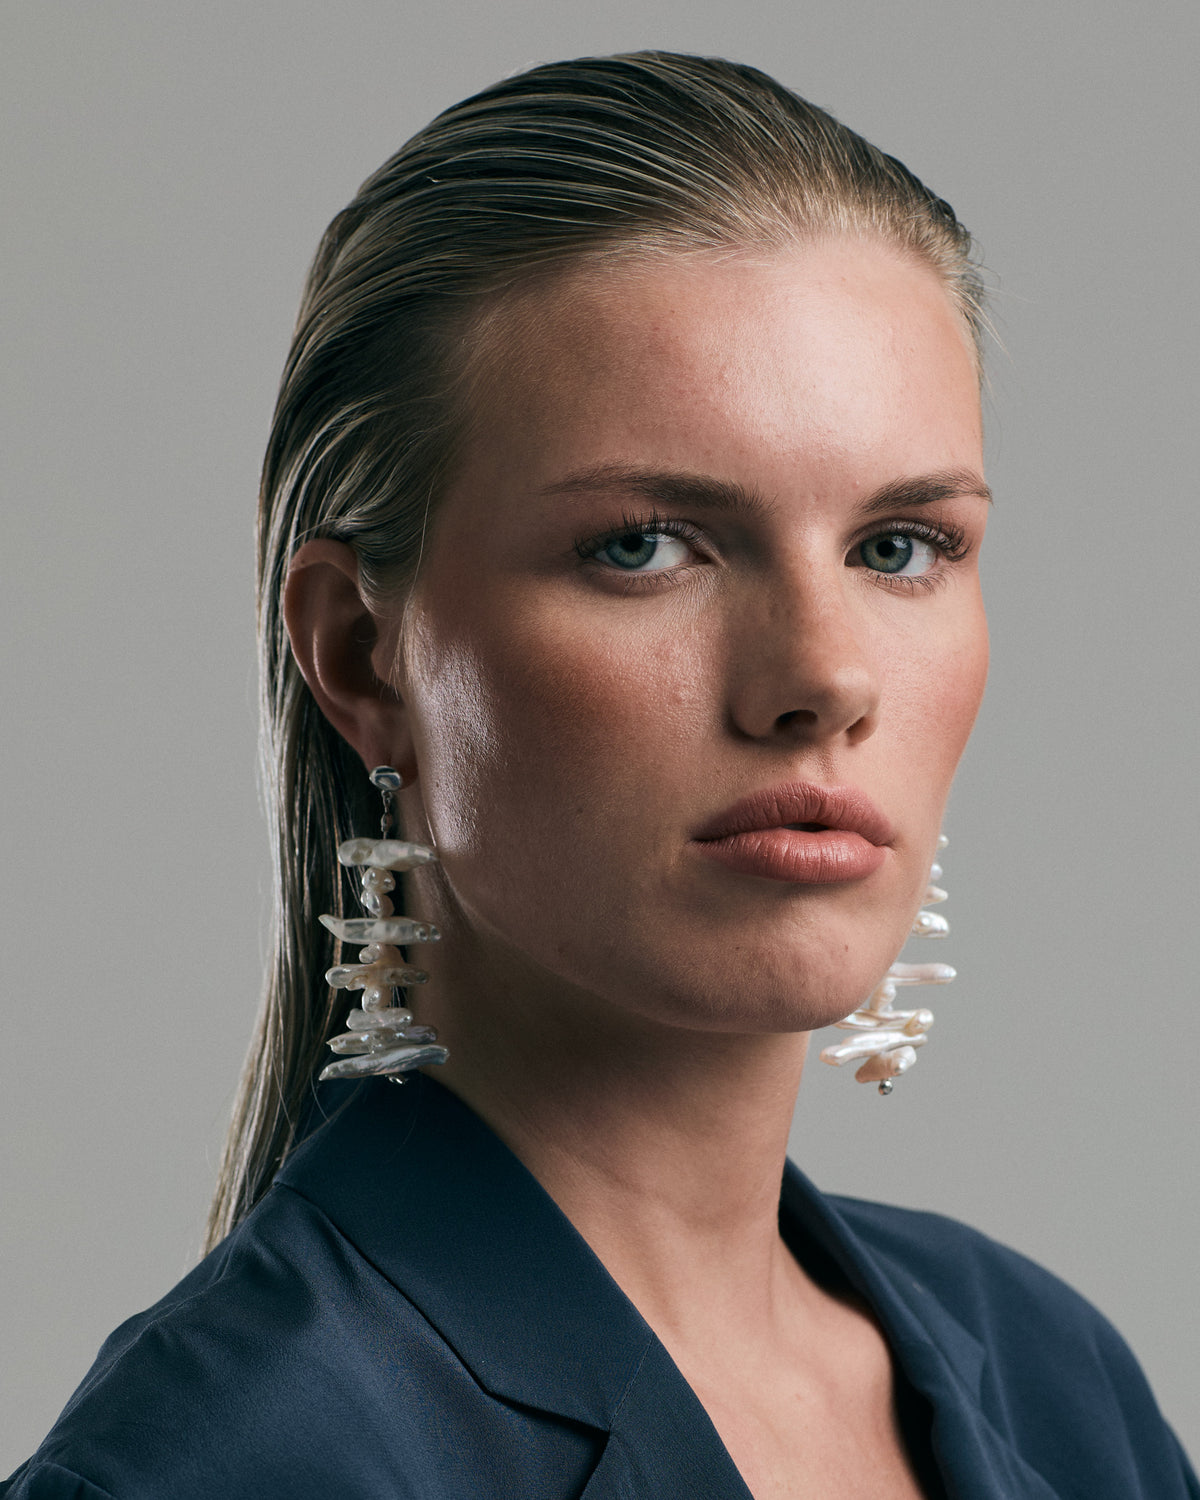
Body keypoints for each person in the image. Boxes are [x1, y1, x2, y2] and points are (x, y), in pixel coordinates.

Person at [5, 50, 1195, 1500]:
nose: (826, 676)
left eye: (899, 547)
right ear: (365, 658)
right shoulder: (235, 1463)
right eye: (644, 546)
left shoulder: (1056, 1386)